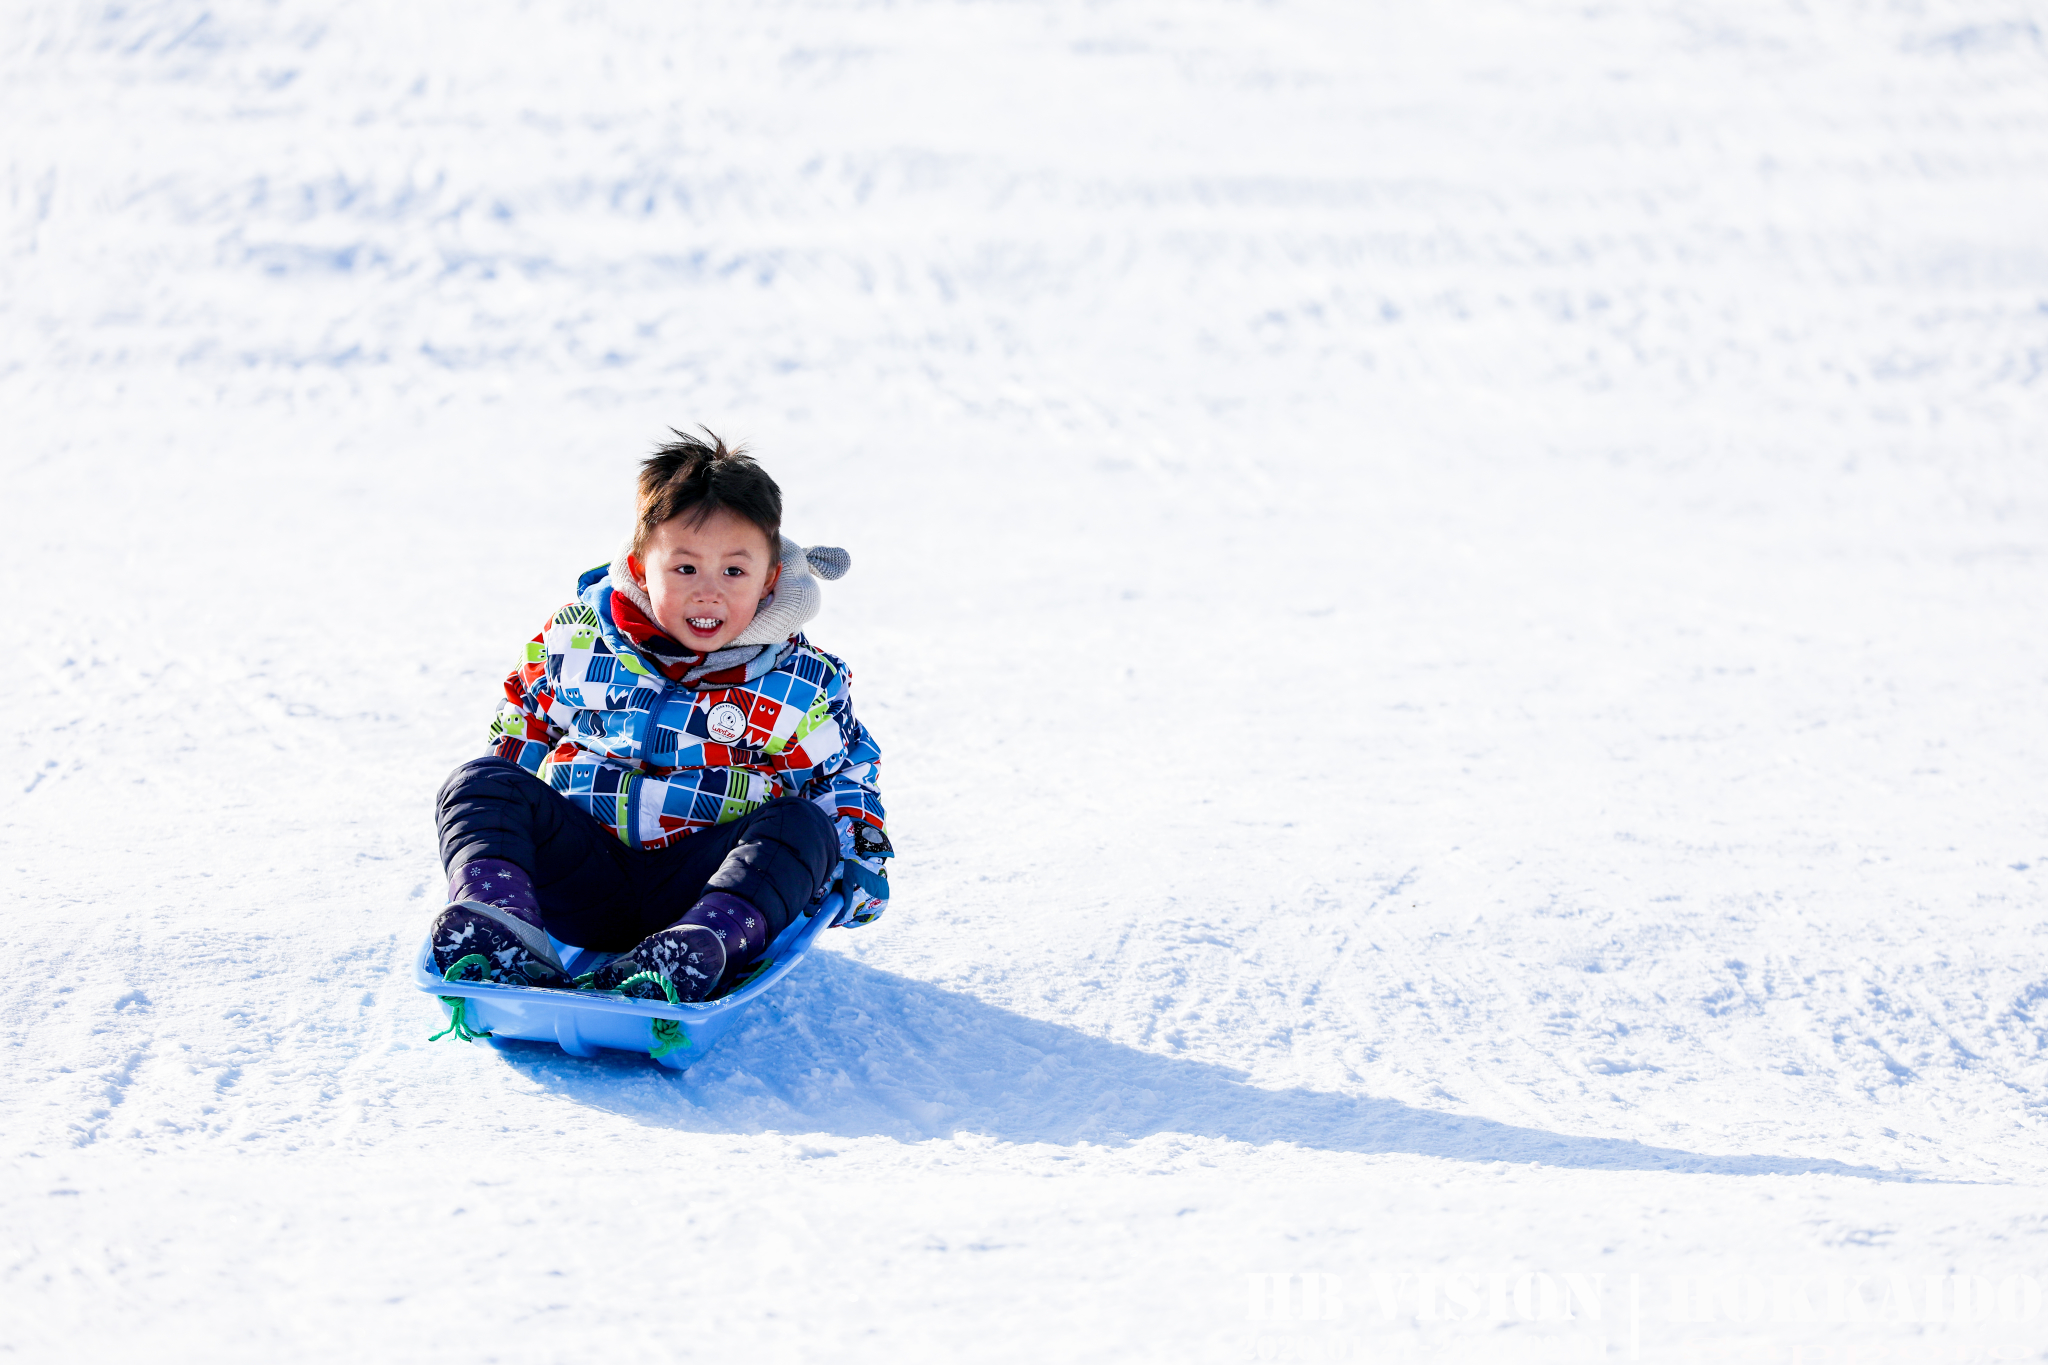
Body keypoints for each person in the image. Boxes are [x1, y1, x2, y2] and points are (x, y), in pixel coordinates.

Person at [428, 429, 891, 1004]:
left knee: (803, 826)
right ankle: (501, 923)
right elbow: (525, 716)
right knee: (479, 782)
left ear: (770, 579)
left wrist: (860, 859)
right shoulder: (580, 641)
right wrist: (517, 814)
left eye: (734, 572)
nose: (709, 593)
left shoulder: (798, 682)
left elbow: (840, 777)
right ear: (640, 567)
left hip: (705, 885)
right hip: (582, 876)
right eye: (685, 569)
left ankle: (698, 949)